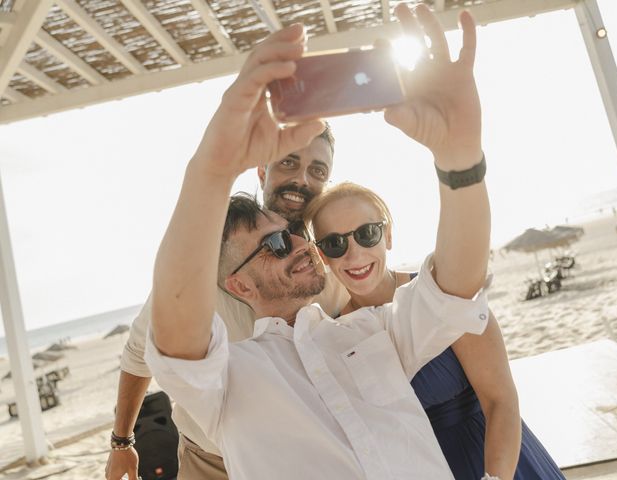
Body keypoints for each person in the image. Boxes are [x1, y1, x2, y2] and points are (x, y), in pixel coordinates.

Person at [145, 3, 494, 479]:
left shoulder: (373, 330)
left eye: (292, 237)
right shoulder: (226, 377)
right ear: (239, 285)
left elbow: (455, 285)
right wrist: (211, 169)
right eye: (273, 246)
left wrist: (460, 159)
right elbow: (175, 324)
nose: (300, 246)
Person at [105, 124, 351, 480]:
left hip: (306, 456)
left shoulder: (333, 256)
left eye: (317, 170)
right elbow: (138, 354)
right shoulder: (202, 261)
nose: (301, 179)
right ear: (262, 169)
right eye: (288, 162)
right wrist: (122, 443)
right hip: (211, 461)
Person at [304, 182, 566, 479]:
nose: (354, 255)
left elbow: (500, 400)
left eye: (367, 234)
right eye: (335, 244)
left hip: (499, 461)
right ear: (322, 256)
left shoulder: (442, 294)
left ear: (387, 236)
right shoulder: (335, 336)